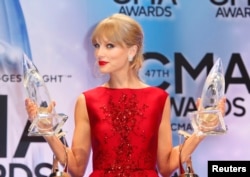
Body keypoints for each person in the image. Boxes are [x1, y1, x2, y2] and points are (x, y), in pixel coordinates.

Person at [25, 13, 226, 177]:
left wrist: (201, 131)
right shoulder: (87, 100)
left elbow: (165, 167)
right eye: (97, 45)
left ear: (132, 51)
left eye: (109, 46)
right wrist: (48, 131)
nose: (99, 53)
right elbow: (76, 168)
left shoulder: (159, 98)